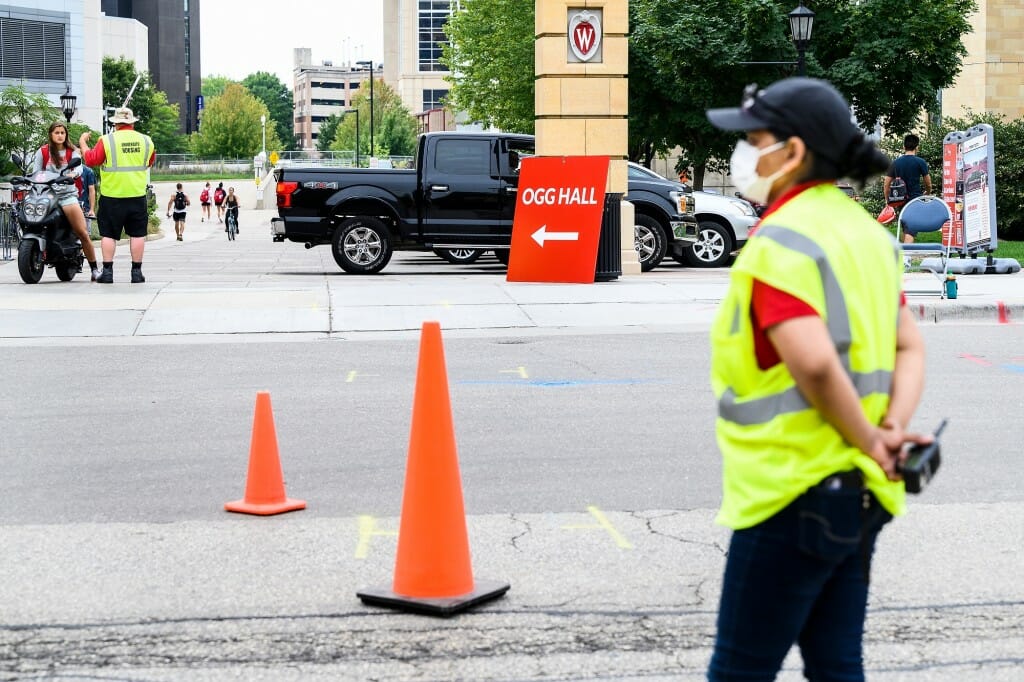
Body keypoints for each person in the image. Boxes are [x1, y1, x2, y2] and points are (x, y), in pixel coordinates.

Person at [704, 78, 932, 681]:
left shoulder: (781, 240)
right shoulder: (867, 235)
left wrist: (867, 438)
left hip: (792, 493)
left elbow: (811, 362)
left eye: (754, 140)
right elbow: (908, 345)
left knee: (738, 670)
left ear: (794, 152)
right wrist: (888, 431)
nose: (745, 156)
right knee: (836, 664)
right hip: (858, 493)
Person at [79, 106, 156, 284]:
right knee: (137, 234)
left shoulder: (107, 140)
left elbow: (91, 160)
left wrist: (83, 143)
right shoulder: (147, 141)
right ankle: (136, 273)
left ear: (115, 123)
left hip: (111, 196)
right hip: (136, 195)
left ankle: (107, 273)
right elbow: (150, 161)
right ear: (132, 122)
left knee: (109, 235)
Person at [31, 122, 101, 281]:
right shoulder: (42, 151)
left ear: (66, 135)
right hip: (45, 194)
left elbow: (78, 169)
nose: (60, 135)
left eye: (62, 132)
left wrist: (73, 175)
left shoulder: (72, 153)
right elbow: (35, 172)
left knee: (82, 232)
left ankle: (94, 268)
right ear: (51, 134)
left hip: (66, 196)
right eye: (57, 132)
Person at [884, 134, 932, 244]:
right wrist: (927, 193)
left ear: (903, 147)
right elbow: (928, 183)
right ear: (917, 147)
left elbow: (886, 184)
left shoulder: (895, 163)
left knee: (906, 227)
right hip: (915, 200)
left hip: (899, 200)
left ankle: (903, 255)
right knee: (910, 230)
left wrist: (888, 200)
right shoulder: (920, 162)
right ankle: (905, 257)